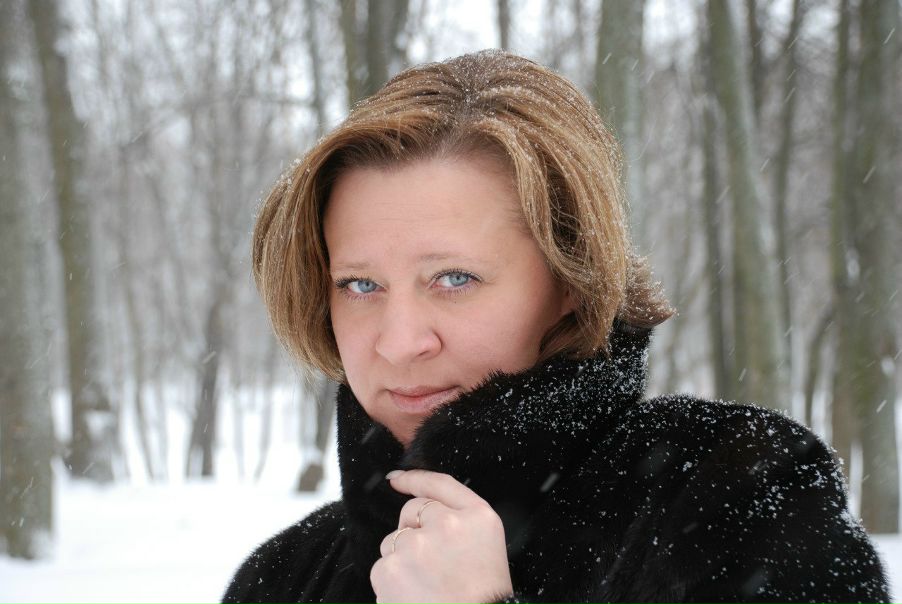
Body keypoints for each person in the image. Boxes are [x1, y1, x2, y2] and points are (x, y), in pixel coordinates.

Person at [222, 51, 889, 604]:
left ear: (571, 279)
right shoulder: (285, 577)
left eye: (453, 278)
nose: (398, 343)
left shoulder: (736, 495)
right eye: (360, 285)